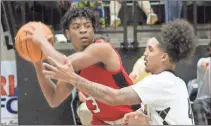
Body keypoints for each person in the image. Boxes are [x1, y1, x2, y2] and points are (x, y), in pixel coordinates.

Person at [42, 19, 197, 125]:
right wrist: (145, 120)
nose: (146, 54)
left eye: (150, 50)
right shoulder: (175, 83)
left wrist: (73, 78)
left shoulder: (162, 82)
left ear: (163, 57)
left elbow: (113, 97)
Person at [23, 7, 135, 125]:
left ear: (93, 29)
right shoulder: (75, 67)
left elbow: (64, 64)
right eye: (76, 27)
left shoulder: (102, 48)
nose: (83, 30)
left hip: (132, 117)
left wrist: (42, 41)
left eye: (87, 26)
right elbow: (53, 99)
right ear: (67, 34)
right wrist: (37, 62)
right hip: (104, 122)